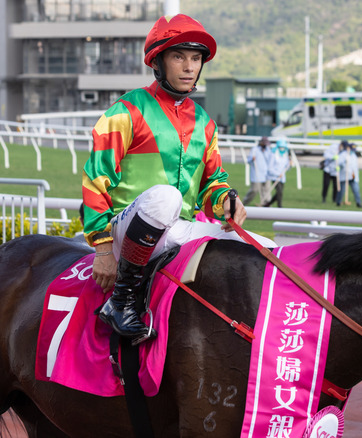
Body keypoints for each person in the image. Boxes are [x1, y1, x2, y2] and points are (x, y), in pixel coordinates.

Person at [81, 14, 274, 344]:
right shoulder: (125, 110)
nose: (189, 67)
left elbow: (213, 184)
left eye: (196, 58)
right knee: (165, 197)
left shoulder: (204, 122)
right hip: (126, 230)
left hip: (177, 229)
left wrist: (228, 200)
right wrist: (102, 248)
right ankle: (121, 301)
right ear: (158, 61)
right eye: (178, 56)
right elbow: (95, 178)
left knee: (265, 251)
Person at [242, 136, 272, 206]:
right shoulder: (255, 150)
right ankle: (244, 202)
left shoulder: (268, 150)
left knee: (266, 191)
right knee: (254, 190)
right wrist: (252, 159)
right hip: (256, 174)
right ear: (261, 143)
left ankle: (266, 204)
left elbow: (270, 160)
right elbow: (248, 161)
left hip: (266, 174)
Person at [335, 141, 362, 208]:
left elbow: (355, 166)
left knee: (356, 190)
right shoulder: (343, 154)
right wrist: (343, 163)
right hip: (344, 175)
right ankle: (338, 202)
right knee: (342, 190)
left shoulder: (354, 155)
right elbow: (339, 163)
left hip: (353, 176)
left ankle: (358, 203)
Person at [264, 138, 291, 208]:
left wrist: (290, 164)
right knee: (280, 192)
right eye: (281, 147)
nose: (282, 149)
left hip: (282, 177)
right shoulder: (273, 154)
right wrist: (277, 174)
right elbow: (270, 168)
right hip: (274, 177)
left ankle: (268, 203)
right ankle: (280, 206)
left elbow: (287, 167)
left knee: (279, 193)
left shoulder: (285, 155)